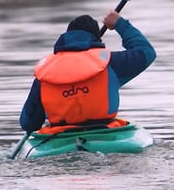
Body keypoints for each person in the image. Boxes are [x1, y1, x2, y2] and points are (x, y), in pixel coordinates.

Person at [19, 11, 155, 133]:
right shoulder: (109, 63)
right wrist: (120, 24)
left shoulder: (45, 72)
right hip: (105, 134)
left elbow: (29, 123)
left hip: (59, 139)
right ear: (96, 40)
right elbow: (146, 52)